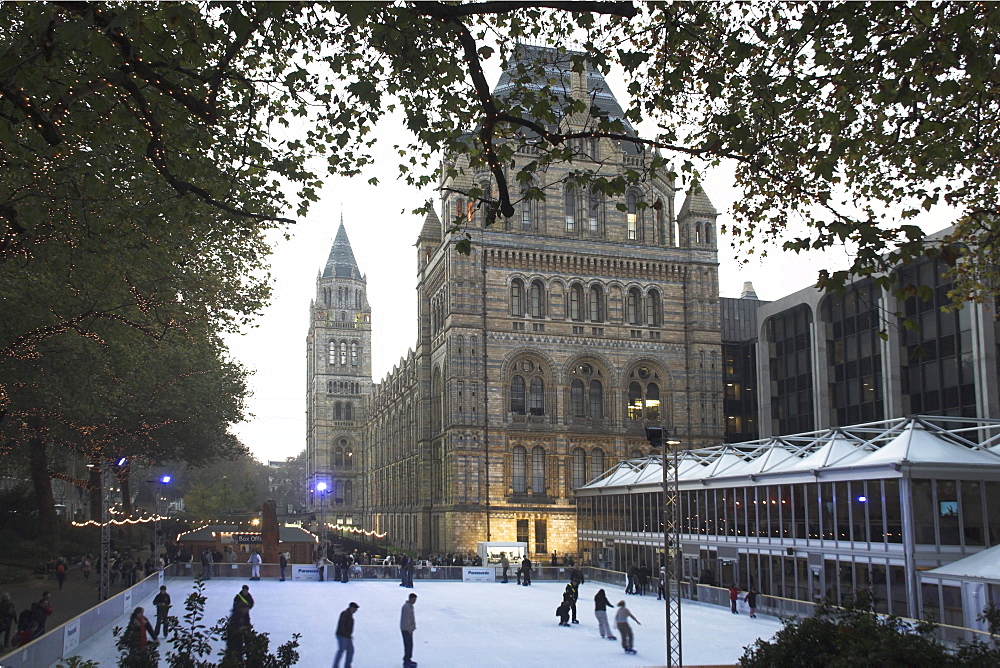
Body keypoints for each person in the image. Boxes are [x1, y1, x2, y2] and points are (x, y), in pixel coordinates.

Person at [225, 591, 253, 663]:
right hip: (235, 640)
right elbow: (234, 629)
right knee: (235, 655)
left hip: (238, 640)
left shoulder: (243, 616)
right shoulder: (237, 616)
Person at [333, 602, 359, 668]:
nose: (356, 610)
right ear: (351, 608)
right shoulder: (345, 614)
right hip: (342, 636)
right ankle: (335, 666)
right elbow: (341, 624)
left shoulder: (350, 617)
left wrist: (349, 635)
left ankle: (347, 666)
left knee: (351, 650)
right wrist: (345, 633)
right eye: (355, 609)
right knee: (341, 650)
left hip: (347, 637)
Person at [400, 593, 417, 668]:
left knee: (410, 645)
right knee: (408, 645)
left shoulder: (410, 606)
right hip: (406, 629)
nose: (414, 601)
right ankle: (406, 661)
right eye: (414, 599)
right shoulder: (406, 607)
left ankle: (408, 659)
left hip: (408, 629)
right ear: (410, 599)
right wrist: (409, 629)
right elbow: (406, 620)